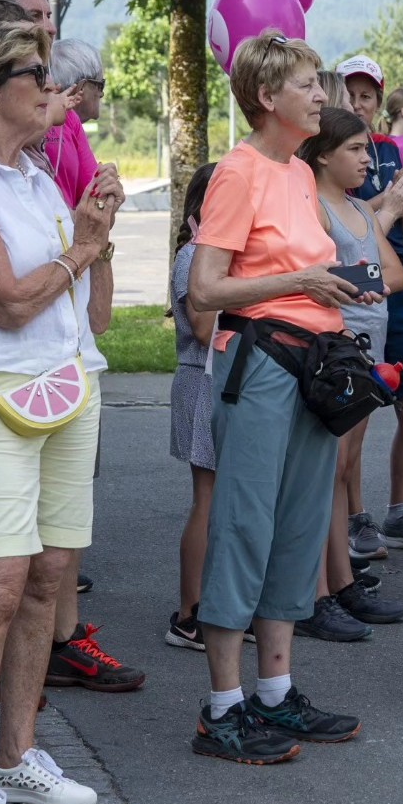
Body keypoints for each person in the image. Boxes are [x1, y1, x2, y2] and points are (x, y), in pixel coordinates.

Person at [0, 19, 119, 804]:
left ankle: (18, 755)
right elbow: (7, 302)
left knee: (48, 578)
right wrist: (80, 246)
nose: (53, 89)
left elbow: (92, 314)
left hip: (69, 383)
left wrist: (98, 237)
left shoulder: (42, 177)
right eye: (35, 76)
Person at [188, 31, 364, 765]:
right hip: (258, 364)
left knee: (296, 532)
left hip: (310, 363)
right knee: (244, 528)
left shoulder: (295, 172)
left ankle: (274, 692)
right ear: (268, 97)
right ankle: (222, 709)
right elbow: (203, 291)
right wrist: (299, 283)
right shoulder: (240, 170)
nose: (324, 94)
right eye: (309, 84)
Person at [299, 106, 403, 636]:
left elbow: (395, 274)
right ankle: (316, 592)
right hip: (335, 351)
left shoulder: (362, 213)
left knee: (345, 469)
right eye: (356, 150)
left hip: (369, 352)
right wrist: (360, 281)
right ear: (323, 155)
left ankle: (341, 582)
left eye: (368, 149)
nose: (369, 159)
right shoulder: (315, 208)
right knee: (327, 470)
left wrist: (365, 280)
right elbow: (317, 274)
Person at [336, 55, 403, 557]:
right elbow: (350, 218)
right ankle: (355, 518)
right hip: (353, 292)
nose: (358, 104)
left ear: (380, 103)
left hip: (398, 293)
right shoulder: (328, 153)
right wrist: (392, 203)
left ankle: (400, 511)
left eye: (367, 96)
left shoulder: (393, 150)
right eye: (349, 94)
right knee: (353, 419)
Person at [166, 164, 220, 650]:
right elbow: (204, 329)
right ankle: (189, 613)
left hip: (219, 379)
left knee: (223, 500)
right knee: (207, 500)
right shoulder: (193, 257)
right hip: (199, 379)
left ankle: (216, 605)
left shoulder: (214, 256)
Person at [45, 39, 102, 210]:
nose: (101, 93)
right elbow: (96, 203)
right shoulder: (69, 121)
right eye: (100, 84)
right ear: (82, 87)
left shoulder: (32, 117)